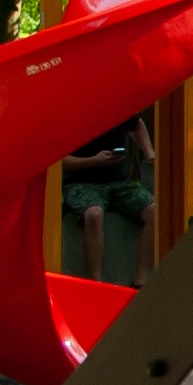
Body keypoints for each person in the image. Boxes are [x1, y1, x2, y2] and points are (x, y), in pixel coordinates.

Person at [60, 116, 156, 286]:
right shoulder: (73, 116)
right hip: (81, 182)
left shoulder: (121, 110)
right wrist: (93, 161)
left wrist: (149, 152)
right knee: (94, 214)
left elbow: (137, 124)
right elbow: (61, 161)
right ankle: (96, 282)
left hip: (118, 182)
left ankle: (141, 280)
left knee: (154, 211)